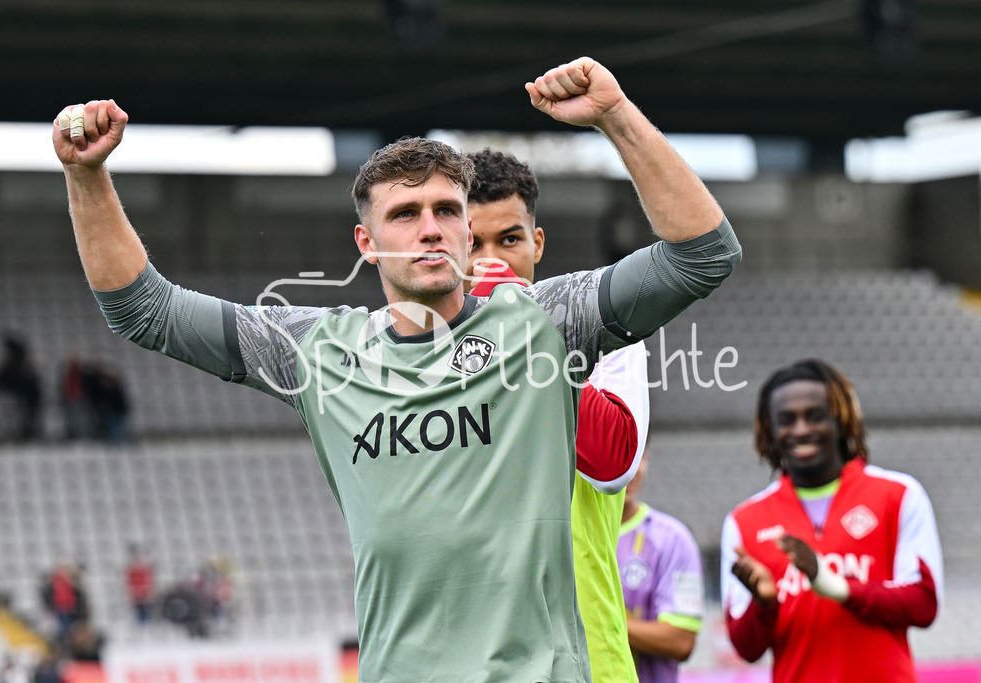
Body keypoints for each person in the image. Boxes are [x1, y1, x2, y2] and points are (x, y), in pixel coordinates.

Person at [51, 56, 741, 681]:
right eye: (405, 213)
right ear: (367, 242)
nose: (430, 227)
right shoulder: (319, 352)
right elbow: (144, 310)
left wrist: (616, 116)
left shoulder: (545, 322)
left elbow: (704, 253)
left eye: (446, 210)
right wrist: (86, 176)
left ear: (467, 231)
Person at [465, 148, 647, 682]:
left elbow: (613, 465)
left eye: (509, 240)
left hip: (585, 660)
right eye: (472, 244)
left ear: (537, 243)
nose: (489, 261)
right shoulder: (417, 351)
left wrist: (519, 326)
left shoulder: (601, 327)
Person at [721, 359, 943, 682]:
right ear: (769, 429)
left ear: (840, 419)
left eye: (815, 416)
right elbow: (746, 648)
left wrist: (834, 585)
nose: (801, 430)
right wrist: (764, 604)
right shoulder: (744, 521)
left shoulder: (899, 495)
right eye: (786, 420)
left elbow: (923, 605)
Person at [618, 450, 704, 682]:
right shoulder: (565, 536)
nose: (629, 467)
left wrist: (600, 623)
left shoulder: (674, 539)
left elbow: (682, 640)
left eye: (636, 454)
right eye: (616, 452)